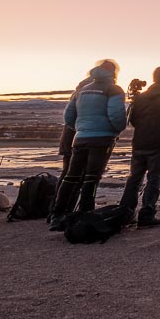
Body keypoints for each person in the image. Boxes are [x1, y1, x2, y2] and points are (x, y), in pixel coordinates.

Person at [50, 62, 127, 230]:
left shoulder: (82, 90)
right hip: (102, 138)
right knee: (92, 177)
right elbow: (116, 114)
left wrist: (80, 128)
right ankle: (85, 213)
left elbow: (69, 115)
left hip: (81, 138)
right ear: (113, 72)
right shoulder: (113, 89)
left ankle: (57, 214)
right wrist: (117, 129)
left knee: (71, 176)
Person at [117, 66, 160, 228]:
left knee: (134, 179)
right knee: (154, 179)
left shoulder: (141, 98)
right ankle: (147, 214)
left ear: (154, 78)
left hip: (139, 142)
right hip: (159, 143)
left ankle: (125, 213)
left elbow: (133, 120)